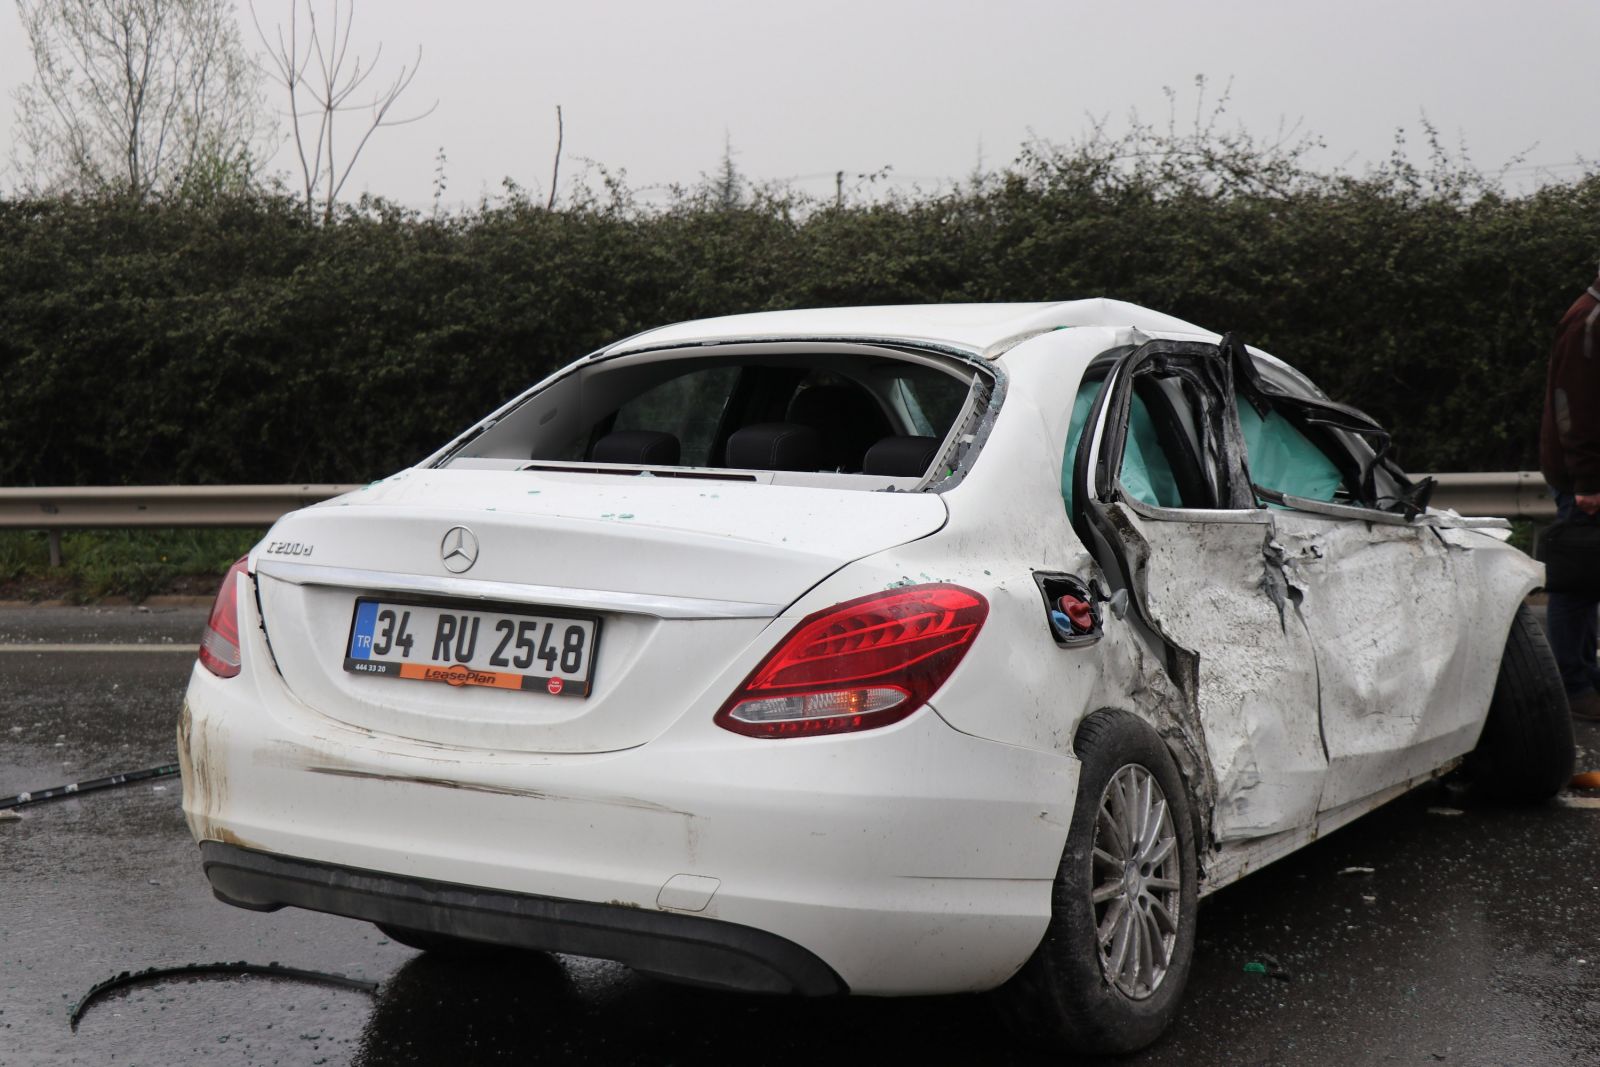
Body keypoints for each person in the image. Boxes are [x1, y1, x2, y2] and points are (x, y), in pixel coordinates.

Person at [1540, 268, 1600, 721]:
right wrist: (1586, 482)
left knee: (1589, 580)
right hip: (1586, 481)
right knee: (1576, 585)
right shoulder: (1588, 319)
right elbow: (1572, 406)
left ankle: (1585, 675)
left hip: (1587, 476)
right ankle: (1572, 685)